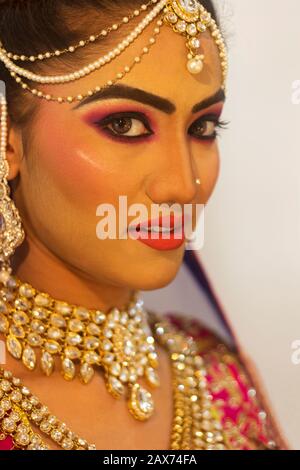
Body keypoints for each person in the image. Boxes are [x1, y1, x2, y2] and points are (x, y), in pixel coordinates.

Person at [0, 0, 287, 450]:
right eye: (125, 123)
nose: (182, 185)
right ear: (8, 139)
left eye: (203, 128)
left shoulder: (217, 375)